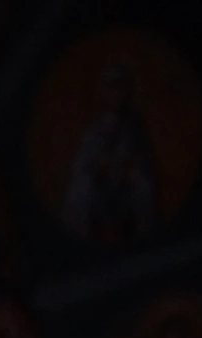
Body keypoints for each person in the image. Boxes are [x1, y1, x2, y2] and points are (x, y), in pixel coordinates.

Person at [62, 63, 157, 249]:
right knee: (79, 192)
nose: (116, 95)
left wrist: (128, 170)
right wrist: (99, 168)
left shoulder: (135, 127)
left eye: (120, 89)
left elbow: (144, 160)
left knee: (144, 188)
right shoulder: (94, 128)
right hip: (99, 187)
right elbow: (83, 163)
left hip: (127, 186)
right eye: (112, 89)